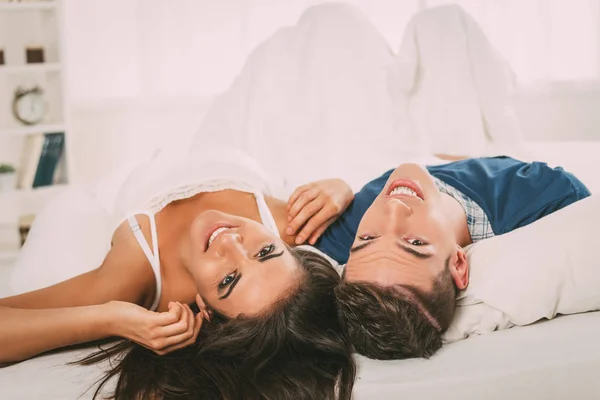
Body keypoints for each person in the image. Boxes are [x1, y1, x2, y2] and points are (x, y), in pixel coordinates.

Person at [0, 149, 357, 399]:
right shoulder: (291, 224)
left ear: (204, 307)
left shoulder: (133, 275)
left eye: (228, 280)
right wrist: (342, 190)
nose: (230, 242)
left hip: (133, 164)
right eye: (265, 252)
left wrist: (109, 317)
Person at [320, 156, 591, 360]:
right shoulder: (548, 196)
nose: (392, 209)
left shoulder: (344, 230)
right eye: (415, 242)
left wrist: (340, 188)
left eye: (367, 239)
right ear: (459, 264)